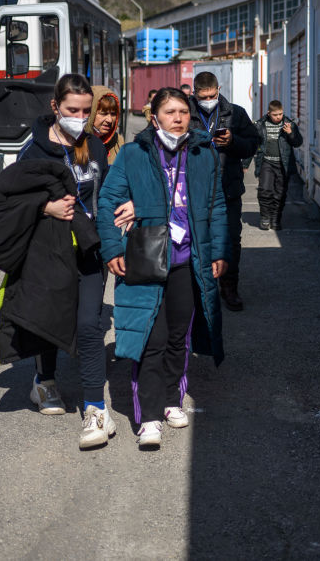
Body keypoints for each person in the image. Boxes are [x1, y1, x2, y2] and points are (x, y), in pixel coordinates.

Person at [97, 87, 228, 448]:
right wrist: (111, 249)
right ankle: (149, 416)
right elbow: (108, 201)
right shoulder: (133, 154)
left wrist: (218, 251)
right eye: (169, 112)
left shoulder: (204, 153)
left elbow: (216, 206)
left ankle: (172, 399)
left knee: (177, 339)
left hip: (188, 261)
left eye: (183, 112)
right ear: (154, 117)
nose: (178, 118)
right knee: (151, 341)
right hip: (145, 259)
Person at [17, 73, 117, 449]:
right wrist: (46, 205)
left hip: (90, 251)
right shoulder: (34, 149)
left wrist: (122, 209)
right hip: (48, 252)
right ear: (55, 107)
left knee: (89, 326)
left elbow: (104, 194)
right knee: (52, 320)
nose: (80, 116)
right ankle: (43, 383)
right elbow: (7, 198)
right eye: (73, 109)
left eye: (86, 111)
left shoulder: (95, 145)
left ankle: (95, 409)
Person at [188, 71, 260, 311]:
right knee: (195, 240)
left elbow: (252, 143)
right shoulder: (184, 112)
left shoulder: (235, 113)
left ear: (218, 90)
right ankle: (198, 290)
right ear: (194, 92)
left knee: (230, 240)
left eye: (213, 95)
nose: (209, 99)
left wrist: (232, 142)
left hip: (227, 189)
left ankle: (229, 287)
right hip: (194, 190)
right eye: (203, 96)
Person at [253, 100, 303, 230]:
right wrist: (245, 164)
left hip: (282, 164)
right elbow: (254, 144)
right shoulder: (260, 125)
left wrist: (290, 133)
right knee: (264, 190)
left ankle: (275, 219)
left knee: (279, 193)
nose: (278, 117)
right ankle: (265, 217)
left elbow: (298, 143)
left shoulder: (289, 124)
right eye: (275, 115)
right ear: (269, 113)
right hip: (266, 162)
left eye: (280, 114)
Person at [89, 85, 124, 164]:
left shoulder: (118, 141)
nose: (110, 120)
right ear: (90, 113)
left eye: (113, 114)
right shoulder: (77, 141)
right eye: (103, 114)